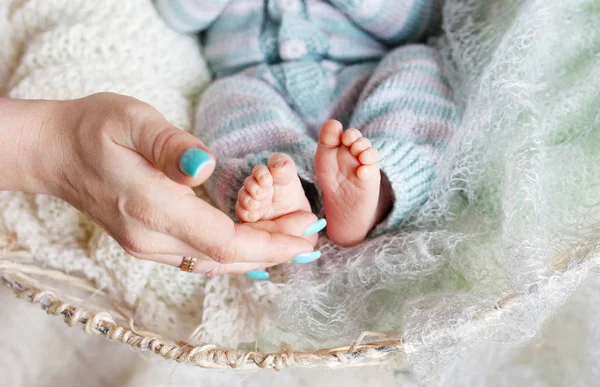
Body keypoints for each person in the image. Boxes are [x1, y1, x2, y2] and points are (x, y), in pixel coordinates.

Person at [156, 0, 460, 249]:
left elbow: (419, 21)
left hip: (361, 78)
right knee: (223, 99)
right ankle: (289, 198)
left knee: (418, 64)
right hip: (258, 85)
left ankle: (377, 187)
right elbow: (179, 14)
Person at [0, 93, 322, 276]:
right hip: (251, 73)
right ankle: (305, 191)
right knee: (235, 111)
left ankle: (367, 190)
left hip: (356, 59)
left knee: (367, 117)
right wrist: (54, 146)